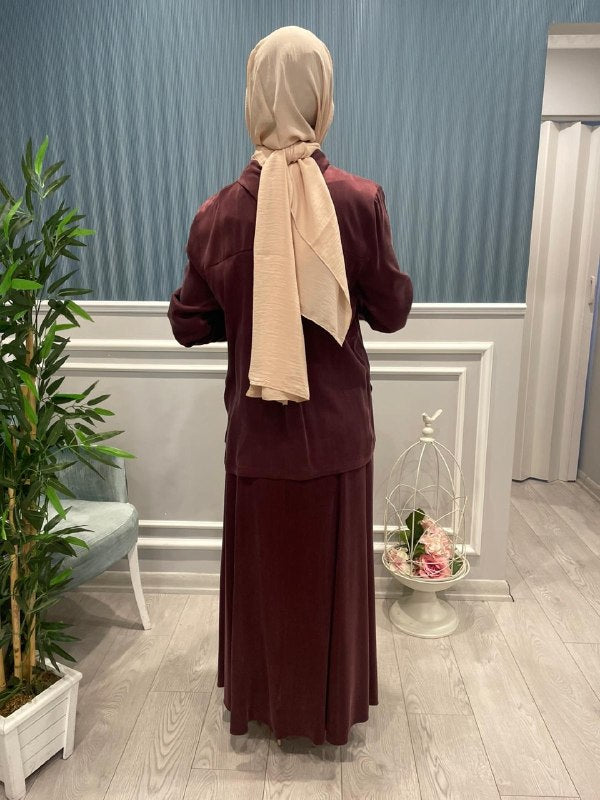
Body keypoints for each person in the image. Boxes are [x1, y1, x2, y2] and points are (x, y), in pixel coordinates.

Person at [168, 25, 413, 747]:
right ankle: (328, 714)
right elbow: (391, 310)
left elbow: (187, 323)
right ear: (321, 96)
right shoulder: (359, 201)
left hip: (257, 436)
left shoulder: (216, 214)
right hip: (338, 435)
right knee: (328, 585)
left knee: (265, 584)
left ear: (254, 97)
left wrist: (249, 311)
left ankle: (262, 704)